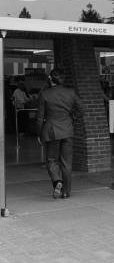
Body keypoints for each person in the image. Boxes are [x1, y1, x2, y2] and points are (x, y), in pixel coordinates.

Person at [36, 69, 82, 199]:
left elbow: (39, 118)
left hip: (51, 131)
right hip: (67, 129)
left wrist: (39, 134)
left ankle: (57, 181)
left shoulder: (45, 94)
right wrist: (72, 118)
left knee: (51, 160)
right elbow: (81, 109)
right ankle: (66, 192)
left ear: (50, 79)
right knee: (66, 162)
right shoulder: (71, 92)